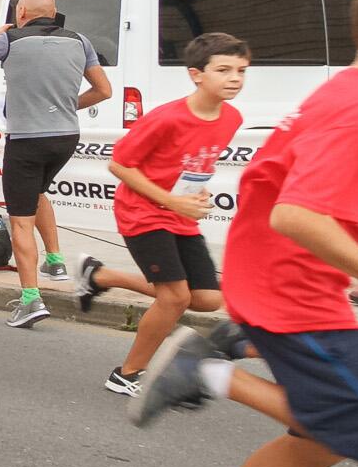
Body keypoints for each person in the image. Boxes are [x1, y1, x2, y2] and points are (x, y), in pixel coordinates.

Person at [127, 0, 358, 467]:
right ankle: (210, 372)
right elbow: (296, 215)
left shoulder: (357, 94)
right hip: (292, 293)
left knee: (328, 436)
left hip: (291, 281)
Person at [77, 33, 249, 395]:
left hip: (180, 215)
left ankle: (101, 275)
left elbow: (193, 163)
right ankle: (127, 373)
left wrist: (195, 193)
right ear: (196, 74)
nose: (234, 78)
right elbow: (120, 165)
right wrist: (171, 201)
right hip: (142, 212)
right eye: (224, 70)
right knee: (174, 297)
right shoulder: (167, 118)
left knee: (206, 299)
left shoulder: (232, 117)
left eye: (241, 70)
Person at [0, 0, 112, 328]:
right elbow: (104, 90)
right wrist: (69, 106)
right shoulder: (80, 41)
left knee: (20, 219)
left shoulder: (9, 40)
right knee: (37, 192)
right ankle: (54, 260)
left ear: (22, 11)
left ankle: (30, 299)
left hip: (26, 140)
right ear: (53, 13)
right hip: (66, 137)